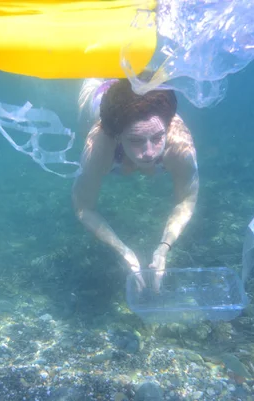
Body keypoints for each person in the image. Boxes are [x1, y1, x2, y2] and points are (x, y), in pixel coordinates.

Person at [72, 79, 199, 278]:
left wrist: (163, 249)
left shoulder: (178, 145)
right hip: (99, 89)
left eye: (158, 137)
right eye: (135, 140)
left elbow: (187, 199)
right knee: (83, 127)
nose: (149, 153)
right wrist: (123, 251)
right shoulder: (99, 146)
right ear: (117, 137)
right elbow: (83, 207)